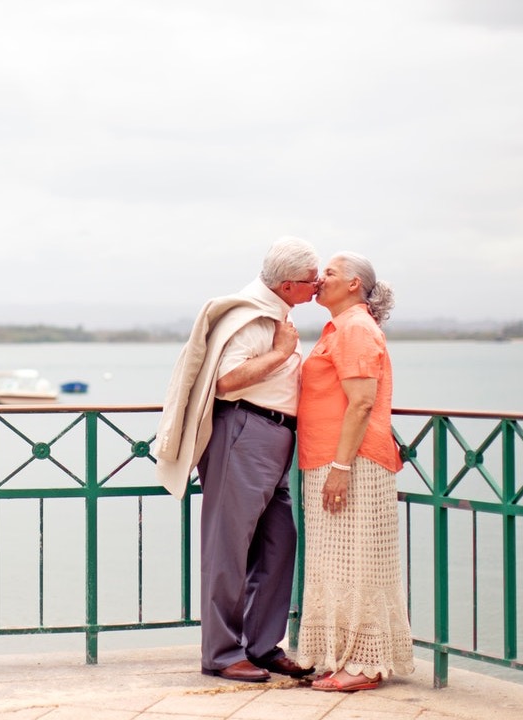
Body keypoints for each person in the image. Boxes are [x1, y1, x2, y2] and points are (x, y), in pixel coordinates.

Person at [155, 237, 320, 682]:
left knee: (278, 543)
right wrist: (282, 354)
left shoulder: (275, 313)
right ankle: (223, 654)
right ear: (287, 285)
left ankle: (263, 645)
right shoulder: (251, 319)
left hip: (272, 438)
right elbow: (227, 382)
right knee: (227, 547)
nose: (317, 285)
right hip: (243, 432)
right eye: (310, 280)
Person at [294, 251, 414, 692]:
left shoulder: (357, 329)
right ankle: (345, 657)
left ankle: (365, 666)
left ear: (353, 285)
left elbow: (362, 402)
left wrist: (341, 467)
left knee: (361, 563)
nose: (319, 278)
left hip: (354, 464)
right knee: (337, 566)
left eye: (330, 272)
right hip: (329, 461)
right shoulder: (341, 327)